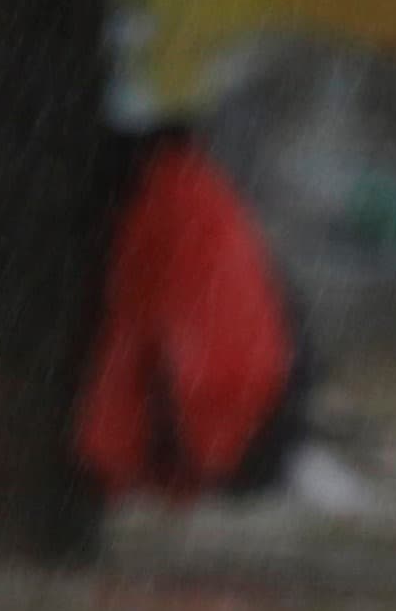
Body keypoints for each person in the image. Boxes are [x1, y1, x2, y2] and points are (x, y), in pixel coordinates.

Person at [74, 125, 316, 505]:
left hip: (224, 420)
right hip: (263, 396)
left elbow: (129, 343)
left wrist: (102, 463)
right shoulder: (198, 189)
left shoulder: (158, 207)